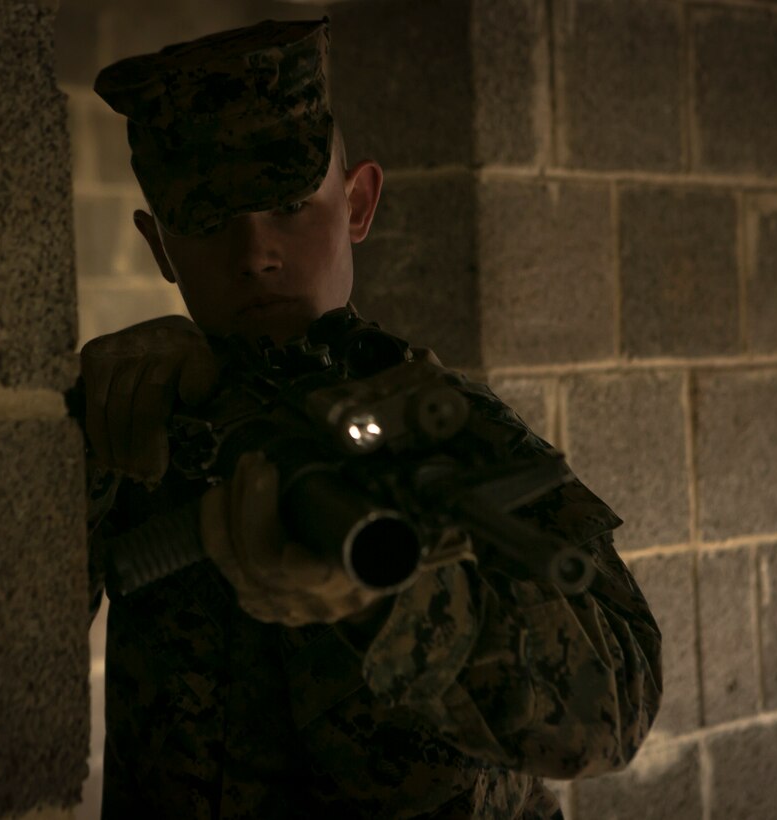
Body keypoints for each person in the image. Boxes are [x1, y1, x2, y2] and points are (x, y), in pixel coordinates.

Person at [82, 17, 661, 819]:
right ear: (160, 247)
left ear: (357, 203)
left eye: (289, 206)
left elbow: (614, 707)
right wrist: (87, 437)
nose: (256, 254)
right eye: (210, 221)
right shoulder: (149, 414)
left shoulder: (442, 420)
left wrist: (395, 597)